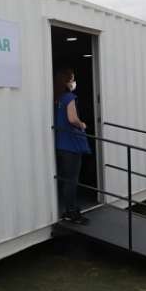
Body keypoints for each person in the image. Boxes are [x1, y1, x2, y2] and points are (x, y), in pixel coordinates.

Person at [54, 68, 91, 224]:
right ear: (67, 81)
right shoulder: (70, 97)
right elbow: (72, 118)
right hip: (72, 145)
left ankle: (69, 210)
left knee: (66, 179)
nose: (73, 82)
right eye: (72, 79)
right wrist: (81, 124)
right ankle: (71, 212)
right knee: (72, 180)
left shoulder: (58, 98)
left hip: (61, 144)